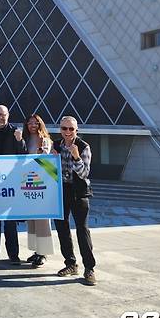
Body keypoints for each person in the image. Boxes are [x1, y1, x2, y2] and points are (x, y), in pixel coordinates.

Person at [52, 116, 97, 286]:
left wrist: (76, 157)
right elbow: (47, 171)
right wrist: (49, 159)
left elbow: (85, 173)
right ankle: (70, 263)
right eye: (64, 128)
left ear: (76, 130)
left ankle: (89, 268)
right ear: (60, 129)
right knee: (62, 228)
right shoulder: (56, 145)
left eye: (71, 129)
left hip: (79, 192)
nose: (68, 132)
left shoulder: (84, 147)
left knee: (82, 230)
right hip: (61, 191)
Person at [0, 105, 26, 265]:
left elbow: (22, 155)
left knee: (10, 222)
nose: (0, 117)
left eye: (3, 115)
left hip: (10, 183)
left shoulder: (15, 132)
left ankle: (13, 254)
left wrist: (19, 140)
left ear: (8, 115)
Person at [22, 114, 55, 268]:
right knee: (32, 220)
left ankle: (43, 253)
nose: (32, 125)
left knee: (42, 220)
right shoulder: (26, 139)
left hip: (41, 183)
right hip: (28, 183)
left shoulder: (45, 140)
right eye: (30, 123)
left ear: (40, 124)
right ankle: (36, 251)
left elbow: (47, 159)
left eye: (35, 123)